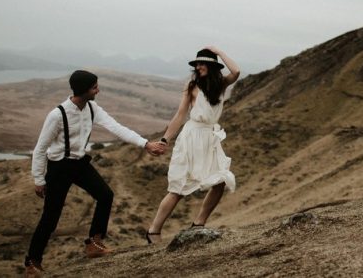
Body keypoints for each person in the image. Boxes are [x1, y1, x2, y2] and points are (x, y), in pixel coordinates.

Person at [24, 70, 166, 277]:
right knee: (50, 218)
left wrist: (145, 144)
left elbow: (116, 127)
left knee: (105, 195)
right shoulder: (57, 115)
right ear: (83, 90)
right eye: (94, 87)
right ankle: (32, 263)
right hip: (59, 168)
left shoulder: (92, 108)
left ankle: (94, 243)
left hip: (80, 164)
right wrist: (38, 179)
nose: (98, 90)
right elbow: (40, 148)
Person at [146, 46, 240, 243]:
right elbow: (180, 114)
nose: (198, 67)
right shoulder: (192, 86)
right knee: (179, 186)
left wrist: (220, 52)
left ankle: (199, 223)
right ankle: (153, 231)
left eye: (202, 63)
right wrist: (165, 139)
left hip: (210, 138)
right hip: (191, 137)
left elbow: (236, 71)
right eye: (196, 64)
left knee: (220, 182)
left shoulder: (221, 84)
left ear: (212, 66)